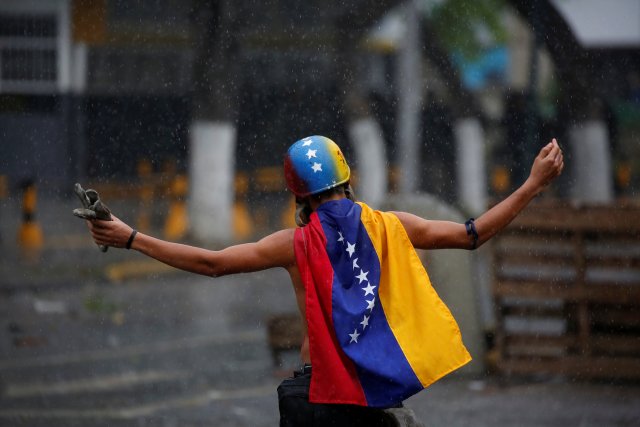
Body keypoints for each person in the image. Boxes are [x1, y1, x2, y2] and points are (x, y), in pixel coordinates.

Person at [83, 135, 564, 426]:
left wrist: (133, 238)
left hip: (319, 400)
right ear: (347, 178)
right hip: (373, 397)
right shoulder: (393, 225)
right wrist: (532, 184)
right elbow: (473, 234)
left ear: (295, 192)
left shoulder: (293, 243)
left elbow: (213, 263)